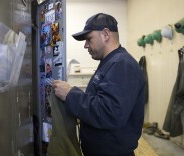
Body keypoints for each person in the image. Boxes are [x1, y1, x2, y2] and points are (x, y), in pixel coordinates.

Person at [53, 13, 145, 156]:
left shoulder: (122, 64)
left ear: (106, 34)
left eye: (89, 39)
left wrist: (70, 95)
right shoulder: (109, 63)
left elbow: (109, 112)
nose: (85, 45)